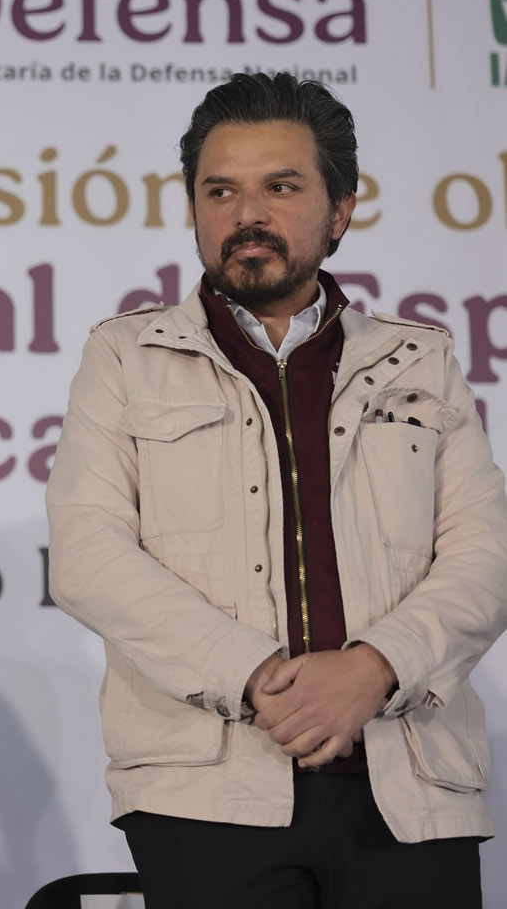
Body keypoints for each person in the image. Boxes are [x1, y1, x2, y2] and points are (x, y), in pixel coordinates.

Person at [46, 71, 507, 907]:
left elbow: (486, 556)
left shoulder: (421, 358)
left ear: (340, 211)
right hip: (208, 789)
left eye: (280, 187)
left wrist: (376, 667)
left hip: (409, 783)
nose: (245, 214)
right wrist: (259, 675)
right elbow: (88, 555)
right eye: (219, 191)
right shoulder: (124, 356)